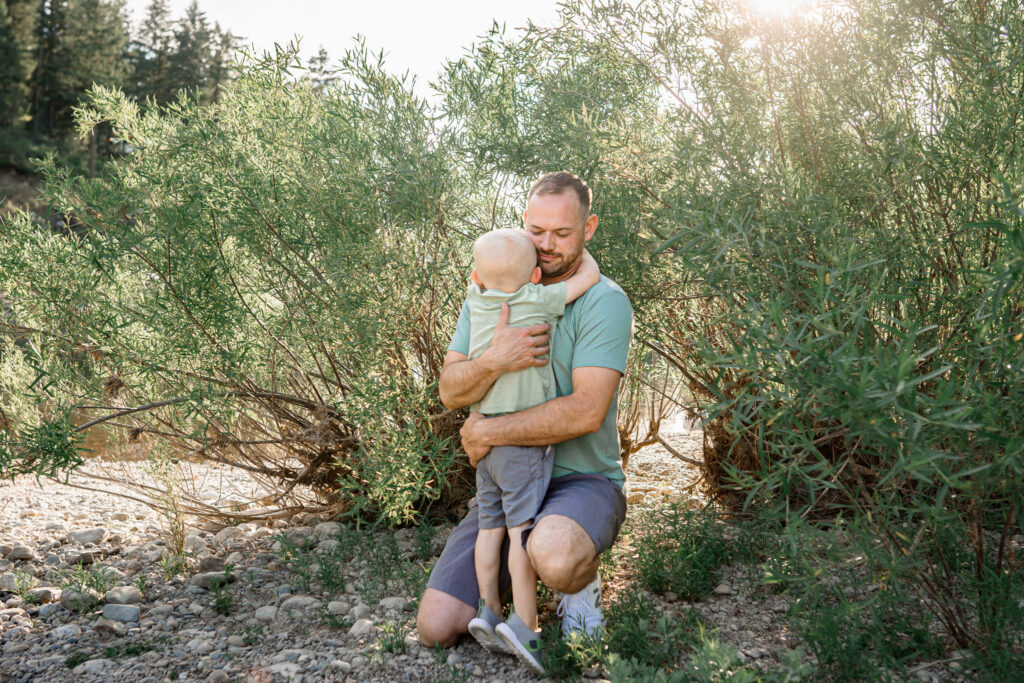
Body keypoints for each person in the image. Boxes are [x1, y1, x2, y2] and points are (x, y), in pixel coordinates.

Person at [417, 172, 634, 668]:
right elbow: (450, 390)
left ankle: (577, 582)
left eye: (563, 233)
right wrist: (496, 359)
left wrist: (488, 430)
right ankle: (509, 598)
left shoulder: (604, 302)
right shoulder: (488, 294)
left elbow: (586, 410)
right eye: (538, 231)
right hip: (511, 474)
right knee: (436, 626)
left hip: (581, 479)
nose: (548, 245)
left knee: (554, 553)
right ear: (523, 224)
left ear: (589, 227)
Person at [460, 229, 601, 674]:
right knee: (521, 534)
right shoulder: (536, 300)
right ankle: (524, 623)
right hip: (518, 444)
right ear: (535, 276)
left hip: (484, 442)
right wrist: (585, 256)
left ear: (476, 275)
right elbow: (588, 277)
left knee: (490, 530)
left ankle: (487, 610)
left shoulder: (475, 301)